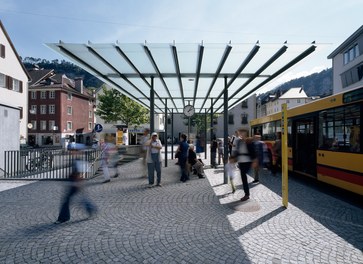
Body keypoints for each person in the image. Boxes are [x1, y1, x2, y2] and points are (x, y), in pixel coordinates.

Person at [55, 144, 97, 224]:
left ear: (77, 151)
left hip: (76, 184)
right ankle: (91, 209)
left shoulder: (79, 160)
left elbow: (81, 174)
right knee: (79, 199)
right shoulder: (77, 160)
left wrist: (78, 183)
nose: (71, 152)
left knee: (68, 200)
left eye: (73, 151)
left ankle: (63, 218)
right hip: (74, 183)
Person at [232, 128, 257, 202]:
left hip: (248, 161)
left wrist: (255, 160)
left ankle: (247, 194)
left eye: (243, 132)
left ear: (246, 133)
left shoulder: (249, 141)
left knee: (244, 176)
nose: (241, 134)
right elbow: (235, 151)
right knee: (243, 178)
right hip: (241, 162)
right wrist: (233, 159)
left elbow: (253, 151)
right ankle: (247, 194)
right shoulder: (237, 141)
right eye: (240, 132)